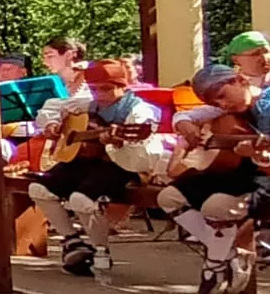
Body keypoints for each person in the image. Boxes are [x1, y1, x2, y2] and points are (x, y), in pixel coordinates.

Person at [159, 65, 270, 294]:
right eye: (215, 103)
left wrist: (258, 153)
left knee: (216, 207)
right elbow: (184, 115)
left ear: (240, 80)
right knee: (168, 197)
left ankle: (214, 264)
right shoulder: (226, 108)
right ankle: (228, 255)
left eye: (222, 96)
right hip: (240, 170)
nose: (221, 105)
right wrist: (187, 126)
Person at [26, 61, 171, 276]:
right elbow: (55, 107)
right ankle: (72, 241)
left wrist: (118, 140)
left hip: (122, 165)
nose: (100, 95)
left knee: (81, 200)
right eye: (95, 89)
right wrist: (52, 124)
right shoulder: (90, 104)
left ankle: (100, 250)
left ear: (123, 85)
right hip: (87, 161)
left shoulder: (139, 110)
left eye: (107, 88)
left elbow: (141, 148)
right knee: (38, 189)